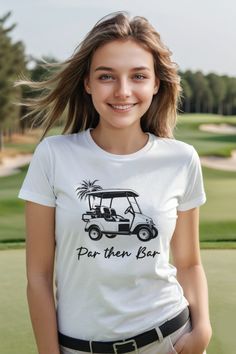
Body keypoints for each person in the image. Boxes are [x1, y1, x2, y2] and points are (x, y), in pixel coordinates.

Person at [17, 11, 212, 354]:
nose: (123, 91)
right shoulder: (53, 155)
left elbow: (189, 263)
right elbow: (38, 276)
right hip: (80, 346)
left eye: (138, 76)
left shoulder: (181, 159)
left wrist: (202, 332)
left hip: (168, 338)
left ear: (155, 83)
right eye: (107, 76)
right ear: (88, 83)